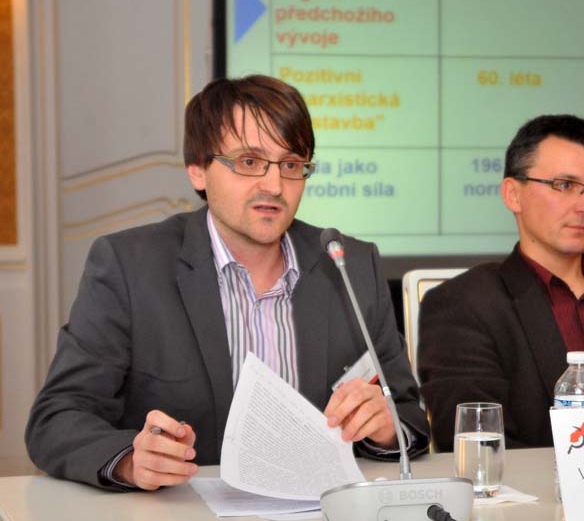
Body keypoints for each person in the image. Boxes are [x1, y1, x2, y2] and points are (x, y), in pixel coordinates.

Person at [26, 75, 428, 490]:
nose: (274, 186)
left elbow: (408, 414)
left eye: (291, 165)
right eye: (249, 162)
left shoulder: (348, 265)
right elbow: (56, 418)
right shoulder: (129, 266)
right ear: (197, 170)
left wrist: (385, 429)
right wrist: (131, 460)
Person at [417, 114, 584, 451]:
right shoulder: (466, 305)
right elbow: (479, 446)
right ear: (513, 195)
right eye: (565, 185)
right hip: (543, 484)